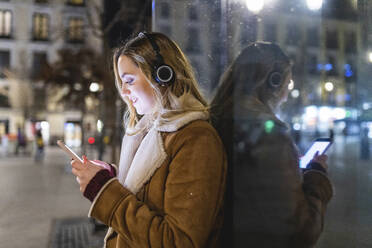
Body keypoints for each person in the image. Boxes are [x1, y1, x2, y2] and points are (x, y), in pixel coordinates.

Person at [71, 32, 227, 247]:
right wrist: (111, 176)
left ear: (162, 75)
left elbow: (178, 241)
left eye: (129, 81)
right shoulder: (150, 132)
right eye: (122, 83)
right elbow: (153, 190)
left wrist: (104, 191)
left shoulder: (195, 139)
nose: (124, 92)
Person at [210, 42, 333, 248]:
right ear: (273, 82)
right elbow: (300, 231)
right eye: (288, 83)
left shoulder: (215, 118)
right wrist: (316, 177)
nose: (286, 95)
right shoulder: (270, 135)